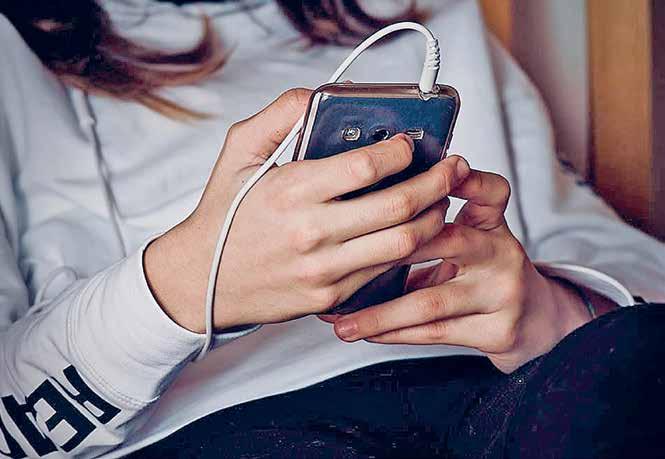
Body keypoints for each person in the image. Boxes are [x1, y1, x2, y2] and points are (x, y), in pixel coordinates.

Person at [0, 1, 663, 457]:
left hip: (498, 387)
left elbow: (620, 258)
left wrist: (553, 310)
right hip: (223, 423)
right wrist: (182, 285)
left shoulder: (422, 14)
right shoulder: (13, 57)